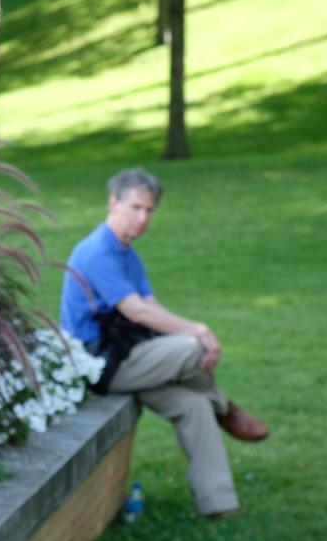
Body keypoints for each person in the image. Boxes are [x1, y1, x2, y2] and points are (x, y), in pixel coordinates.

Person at [60, 167, 268, 518]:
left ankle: (219, 505)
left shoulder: (126, 252)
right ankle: (226, 408)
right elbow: (137, 311)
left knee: (192, 405)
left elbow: (151, 305)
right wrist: (198, 330)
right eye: (135, 208)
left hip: (130, 354)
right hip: (102, 364)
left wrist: (186, 329)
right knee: (192, 348)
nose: (142, 218)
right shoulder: (97, 251)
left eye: (149, 211)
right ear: (113, 203)